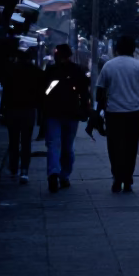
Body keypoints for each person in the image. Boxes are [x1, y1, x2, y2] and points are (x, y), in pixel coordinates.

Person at [96, 35, 139, 193]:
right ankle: (127, 179)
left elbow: (99, 91)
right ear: (132, 49)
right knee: (131, 147)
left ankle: (117, 177)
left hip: (113, 113)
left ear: (116, 49)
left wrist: (99, 110)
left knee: (114, 147)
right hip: (133, 113)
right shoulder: (138, 66)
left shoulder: (109, 66)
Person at [42, 44, 90, 193]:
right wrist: (84, 110)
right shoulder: (77, 70)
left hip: (53, 113)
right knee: (67, 146)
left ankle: (53, 173)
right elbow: (84, 93)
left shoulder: (51, 70)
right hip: (71, 113)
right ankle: (63, 175)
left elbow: (44, 92)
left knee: (53, 144)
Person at [0, 49, 44, 184]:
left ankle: (13, 168)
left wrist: (2, 110)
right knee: (26, 142)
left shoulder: (11, 71)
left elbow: (5, 93)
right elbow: (42, 91)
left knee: (13, 141)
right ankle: (24, 170)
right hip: (29, 111)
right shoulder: (36, 72)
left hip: (12, 110)